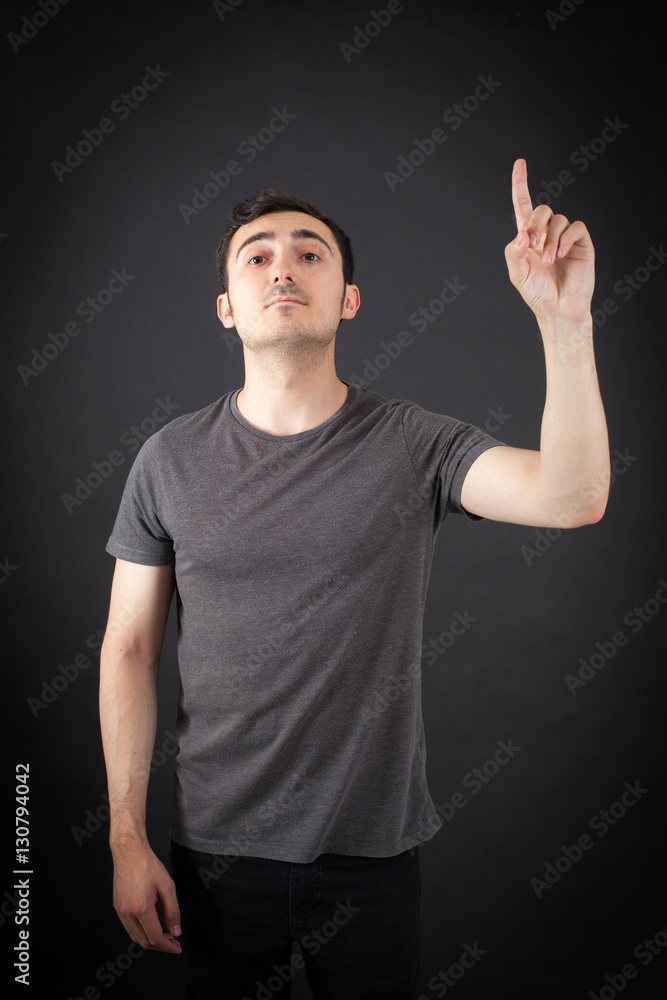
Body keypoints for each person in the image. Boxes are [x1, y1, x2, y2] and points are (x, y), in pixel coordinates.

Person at [99, 159, 610, 999]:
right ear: (226, 308)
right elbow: (127, 650)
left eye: (310, 254)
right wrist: (125, 839)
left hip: (371, 859)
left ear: (349, 299)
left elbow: (573, 497)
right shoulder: (167, 460)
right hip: (216, 856)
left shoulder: (415, 443)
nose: (282, 268)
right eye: (257, 256)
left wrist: (565, 324)